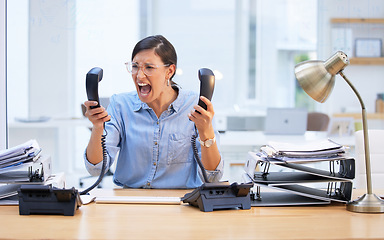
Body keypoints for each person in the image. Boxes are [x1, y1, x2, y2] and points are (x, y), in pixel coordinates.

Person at [83, 35, 223, 189]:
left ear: (169, 71)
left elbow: (213, 177)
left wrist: (206, 131)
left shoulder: (196, 107)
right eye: (135, 66)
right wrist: (97, 128)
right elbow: (95, 169)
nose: (140, 75)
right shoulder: (120, 105)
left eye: (149, 67)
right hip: (130, 201)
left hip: (182, 203)